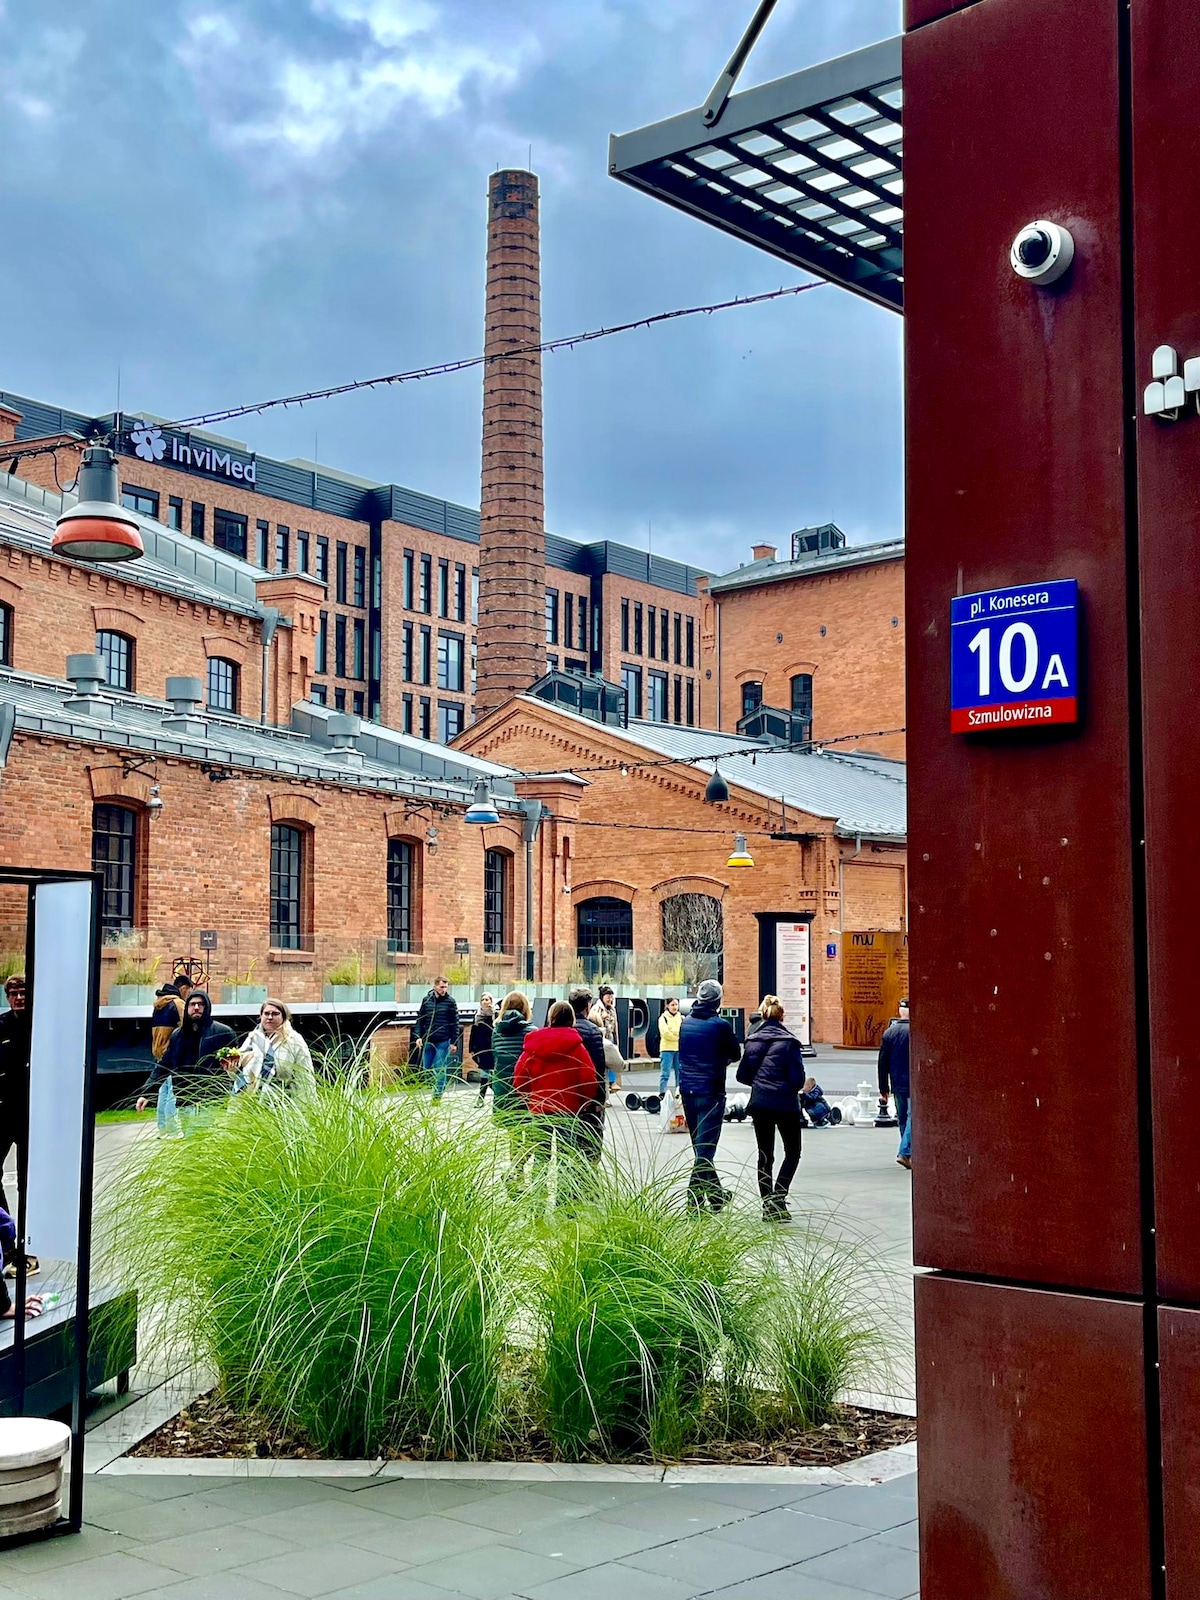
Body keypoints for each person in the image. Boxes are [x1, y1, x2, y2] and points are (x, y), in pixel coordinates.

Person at [736, 995, 814, 1222]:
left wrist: (760, 1083)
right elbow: (798, 1079)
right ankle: (778, 1197)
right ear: (783, 1017)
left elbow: (742, 1075)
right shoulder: (790, 1042)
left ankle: (766, 1204)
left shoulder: (752, 1040)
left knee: (765, 1155)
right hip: (786, 1104)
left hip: (760, 1104)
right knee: (792, 1152)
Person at [514, 1001, 603, 1186]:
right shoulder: (577, 1047)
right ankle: (562, 1206)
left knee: (540, 1157)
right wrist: (583, 1102)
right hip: (568, 1111)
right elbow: (589, 1079)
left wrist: (530, 1099)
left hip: (539, 1110)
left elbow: (519, 1078)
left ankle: (536, 1206)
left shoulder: (533, 1045)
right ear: (571, 1019)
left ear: (550, 1017)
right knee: (565, 1158)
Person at [678, 978, 741, 1211]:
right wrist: (720, 1061)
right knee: (705, 1151)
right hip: (711, 1092)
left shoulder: (686, 1023)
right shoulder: (720, 1025)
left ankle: (716, 1197)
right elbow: (736, 1053)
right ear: (717, 1001)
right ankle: (693, 1202)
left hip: (688, 1091)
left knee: (700, 1147)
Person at [136, 989, 237, 1125]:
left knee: (207, 1141)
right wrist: (147, 1093)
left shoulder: (223, 1033)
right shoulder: (177, 1035)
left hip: (212, 1101)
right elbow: (164, 1065)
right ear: (186, 1007)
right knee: (191, 1141)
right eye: (192, 1004)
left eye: (201, 1004)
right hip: (185, 1100)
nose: (196, 1007)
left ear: (207, 1007)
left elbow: (237, 1066)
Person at [0, 975, 35, 1278]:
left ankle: (30, 1242)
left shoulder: (39, 1024)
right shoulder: (0, 1025)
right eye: (13, 993)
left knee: (29, 1181)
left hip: (31, 1115)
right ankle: (7, 1238)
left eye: (23, 993)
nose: (19, 998)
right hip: (2, 1113)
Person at [235, 999, 316, 1102]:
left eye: (275, 1014)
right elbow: (240, 1075)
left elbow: (305, 1076)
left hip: (282, 1103)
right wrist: (232, 1069)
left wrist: (306, 1106)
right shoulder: (253, 1039)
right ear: (261, 1016)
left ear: (284, 1017)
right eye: (266, 1013)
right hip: (251, 1102)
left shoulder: (294, 1040)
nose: (270, 1017)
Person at [568, 986, 608, 1160]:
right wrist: (599, 1098)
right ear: (587, 1006)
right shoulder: (593, 1031)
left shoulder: (561, 1028)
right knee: (590, 1139)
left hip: (565, 1093)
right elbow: (598, 1068)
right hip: (587, 1094)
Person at [878, 997, 912, 1170]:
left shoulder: (889, 1033)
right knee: (914, 1117)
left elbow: (882, 1063)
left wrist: (883, 1088)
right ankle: (905, 1152)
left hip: (897, 1082)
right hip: (914, 1082)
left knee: (903, 1118)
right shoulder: (915, 1031)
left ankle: (907, 1152)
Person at [414, 976, 460, 1101]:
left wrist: (454, 1042)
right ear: (435, 986)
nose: (443, 990)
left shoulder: (450, 1002)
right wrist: (418, 1036)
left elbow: (455, 1023)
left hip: (443, 1040)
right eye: (441, 987)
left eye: (445, 987)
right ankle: (433, 1088)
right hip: (428, 1039)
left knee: (439, 1068)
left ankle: (437, 1096)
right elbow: (420, 1019)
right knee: (426, 1067)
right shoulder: (427, 1000)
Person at [589, 985, 621, 1093]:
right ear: (602, 997)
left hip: (610, 1037)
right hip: (601, 1039)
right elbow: (593, 1021)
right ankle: (606, 1089)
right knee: (602, 1066)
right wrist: (601, 1018)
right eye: (608, 997)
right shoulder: (596, 1008)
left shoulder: (612, 1009)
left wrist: (617, 1039)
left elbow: (615, 1024)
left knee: (611, 1062)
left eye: (612, 997)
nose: (610, 999)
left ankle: (612, 1083)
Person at [470, 993, 496, 1102]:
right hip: (481, 1048)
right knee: (484, 1072)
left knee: (489, 1073)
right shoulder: (477, 1016)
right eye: (483, 999)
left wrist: (494, 1014)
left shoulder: (496, 1015)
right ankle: (481, 1098)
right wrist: (471, 1048)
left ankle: (483, 1097)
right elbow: (473, 1033)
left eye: (487, 999)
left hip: (493, 1047)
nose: (485, 1002)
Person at [150, 982, 184, 1061]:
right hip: (173, 1054)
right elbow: (187, 1027)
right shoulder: (178, 1003)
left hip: (158, 1054)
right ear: (184, 988)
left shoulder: (157, 1006)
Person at [657, 997, 682, 1097]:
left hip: (678, 1049)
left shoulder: (681, 1018)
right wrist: (677, 1035)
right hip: (666, 1049)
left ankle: (679, 1092)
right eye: (672, 1005)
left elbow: (682, 1031)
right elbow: (665, 1033)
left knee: (679, 1073)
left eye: (676, 1004)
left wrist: (675, 1034)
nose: (674, 1007)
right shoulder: (663, 1018)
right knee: (665, 1073)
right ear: (667, 1006)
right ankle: (662, 1093)